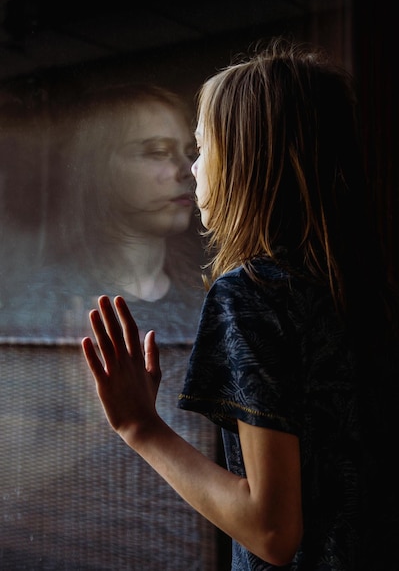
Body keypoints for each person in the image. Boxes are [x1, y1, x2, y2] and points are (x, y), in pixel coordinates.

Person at [81, 37, 399, 570]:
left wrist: (141, 426)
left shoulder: (252, 292)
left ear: (248, 160)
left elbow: (272, 531)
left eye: (202, 148)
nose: (192, 170)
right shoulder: (366, 290)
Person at [1, 81, 205, 342]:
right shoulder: (46, 304)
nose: (187, 169)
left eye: (190, 153)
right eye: (157, 152)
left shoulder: (206, 295)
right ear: (98, 168)